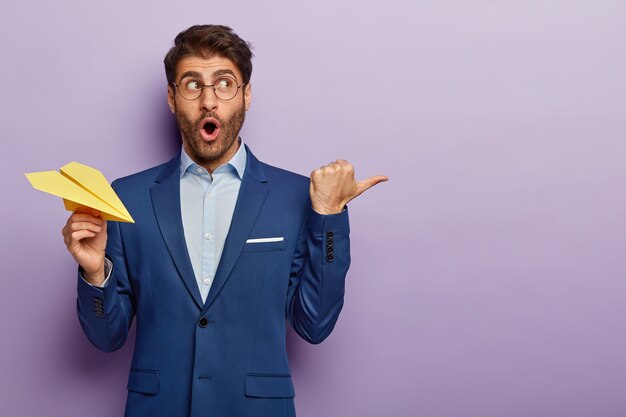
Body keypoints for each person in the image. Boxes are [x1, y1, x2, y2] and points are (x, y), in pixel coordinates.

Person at [62, 24, 387, 417]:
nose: (209, 101)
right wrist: (96, 273)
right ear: (171, 97)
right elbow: (106, 337)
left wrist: (328, 217)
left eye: (225, 83)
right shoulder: (127, 197)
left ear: (246, 95)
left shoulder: (295, 197)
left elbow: (314, 325)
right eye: (192, 84)